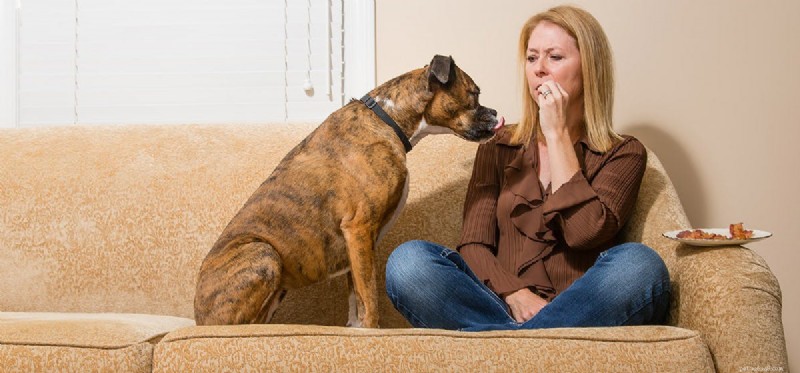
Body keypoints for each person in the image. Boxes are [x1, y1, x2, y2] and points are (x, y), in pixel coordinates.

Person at [384, 5, 670, 331]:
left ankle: (516, 347)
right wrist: (516, 293)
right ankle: (538, 345)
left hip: (581, 307)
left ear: (590, 68)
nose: (539, 69)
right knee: (409, 263)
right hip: (500, 305)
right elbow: (474, 245)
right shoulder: (498, 144)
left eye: (555, 57)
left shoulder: (623, 152)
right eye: (532, 58)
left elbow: (582, 234)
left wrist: (557, 133)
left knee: (641, 265)